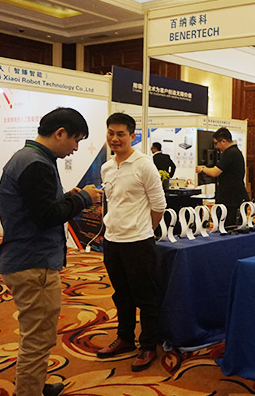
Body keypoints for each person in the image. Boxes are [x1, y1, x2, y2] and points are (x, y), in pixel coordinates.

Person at [0, 107, 102, 396]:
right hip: (33, 263)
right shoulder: (36, 164)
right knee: (38, 338)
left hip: (26, 258)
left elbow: (35, 206)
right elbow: (46, 216)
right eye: (75, 140)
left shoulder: (30, 158)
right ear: (60, 133)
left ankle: (34, 385)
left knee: (37, 334)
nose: (75, 148)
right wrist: (83, 199)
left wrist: (66, 197)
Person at [97, 113, 166, 372]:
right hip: (112, 240)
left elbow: (159, 205)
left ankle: (148, 345)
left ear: (132, 136)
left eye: (121, 134)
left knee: (145, 296)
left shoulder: (144, 165)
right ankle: (125, 337)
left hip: (138, 242)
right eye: (111, 133)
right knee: (121, 295)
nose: (115, 138)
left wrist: (146, 230)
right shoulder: (107, 167)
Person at [195, 127, 248, 226]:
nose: (217, 147)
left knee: (228, 227)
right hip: (231, 197)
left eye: (217, 143)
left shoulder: (230, 153)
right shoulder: (234, 152)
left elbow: (215, 172)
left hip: (231, 199)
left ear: (223, 141)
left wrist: (203, 169)